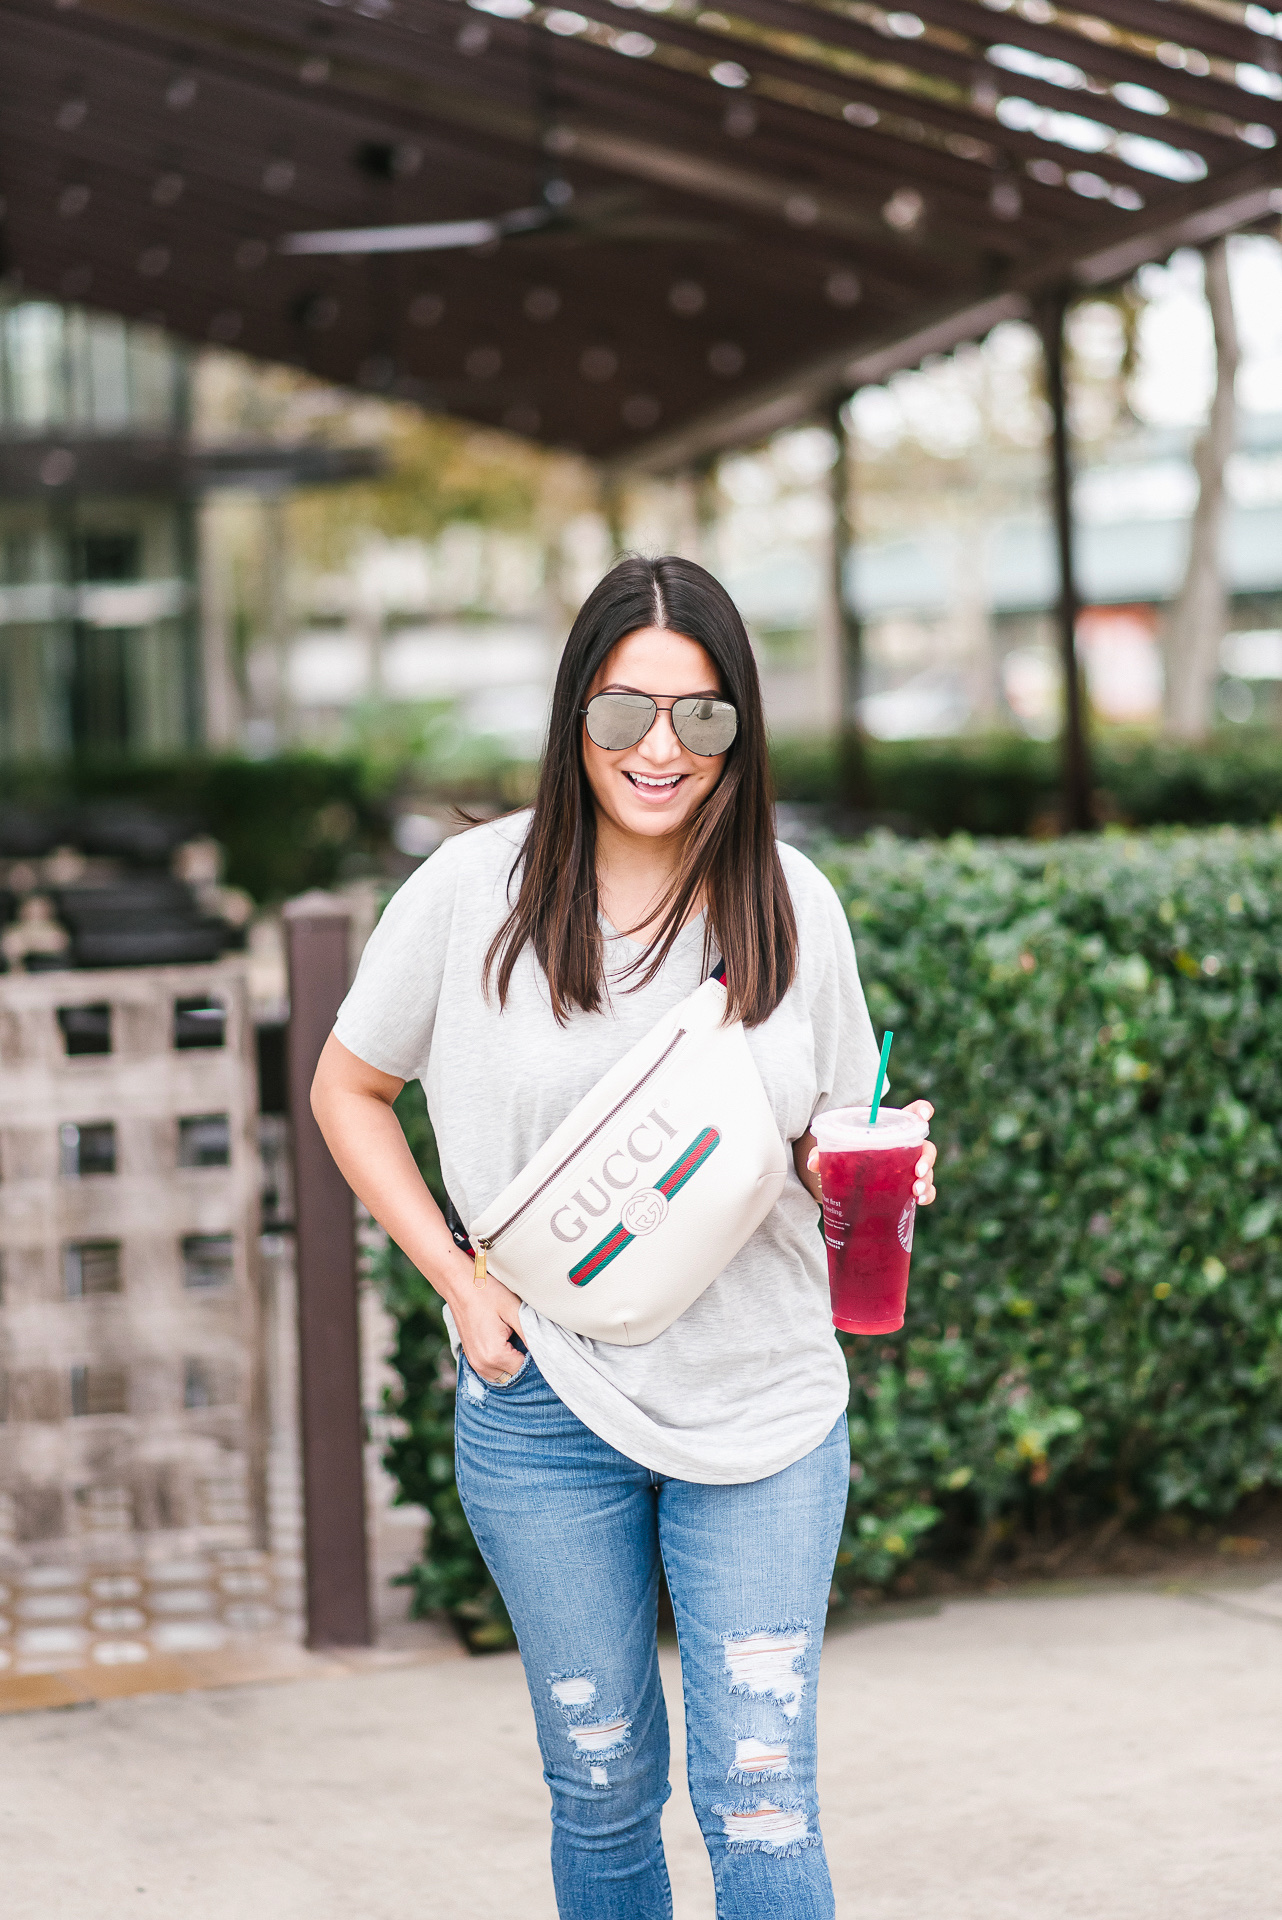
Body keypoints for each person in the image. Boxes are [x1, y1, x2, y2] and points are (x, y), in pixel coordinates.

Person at [311, 554, 938, 1920]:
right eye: (623, 711)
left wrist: (876, 1166)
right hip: (543, 1402)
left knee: (761, 1801)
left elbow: (829, 1127)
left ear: (739, 726)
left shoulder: (791, 900)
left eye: (699, 714)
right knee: (599, 1787)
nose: (661, 749)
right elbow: (346, 1089)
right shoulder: (470, 891)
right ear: (573, 716)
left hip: (760, 1403)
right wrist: (459, 1283)